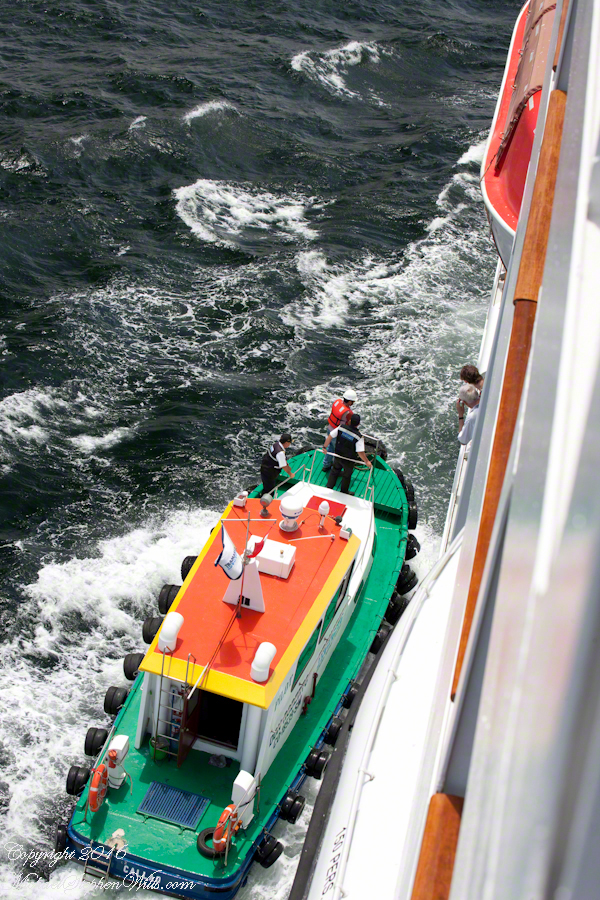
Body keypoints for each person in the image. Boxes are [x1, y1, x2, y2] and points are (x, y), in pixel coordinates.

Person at [324, 413, 372, 494]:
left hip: (338, 455)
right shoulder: (358, 436)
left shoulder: (341, 427)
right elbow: (360, 452)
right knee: (347, 476)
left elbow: (330, 436)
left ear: (349, 421)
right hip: (349, 460)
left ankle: (329, 487)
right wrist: (367, 461)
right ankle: (344, 492)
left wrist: (324, 447)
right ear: (358, 424)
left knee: (334, 471)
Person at [323, 387, 357, 471]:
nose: (353, 403)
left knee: (330, 447)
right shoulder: (348, 412)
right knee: (338, 452)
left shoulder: (337, 402)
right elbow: (349, 424)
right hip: (337, 434)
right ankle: (335, 469)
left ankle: (326, 465)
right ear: (350, 401)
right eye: (353, 401)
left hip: (329, 429)